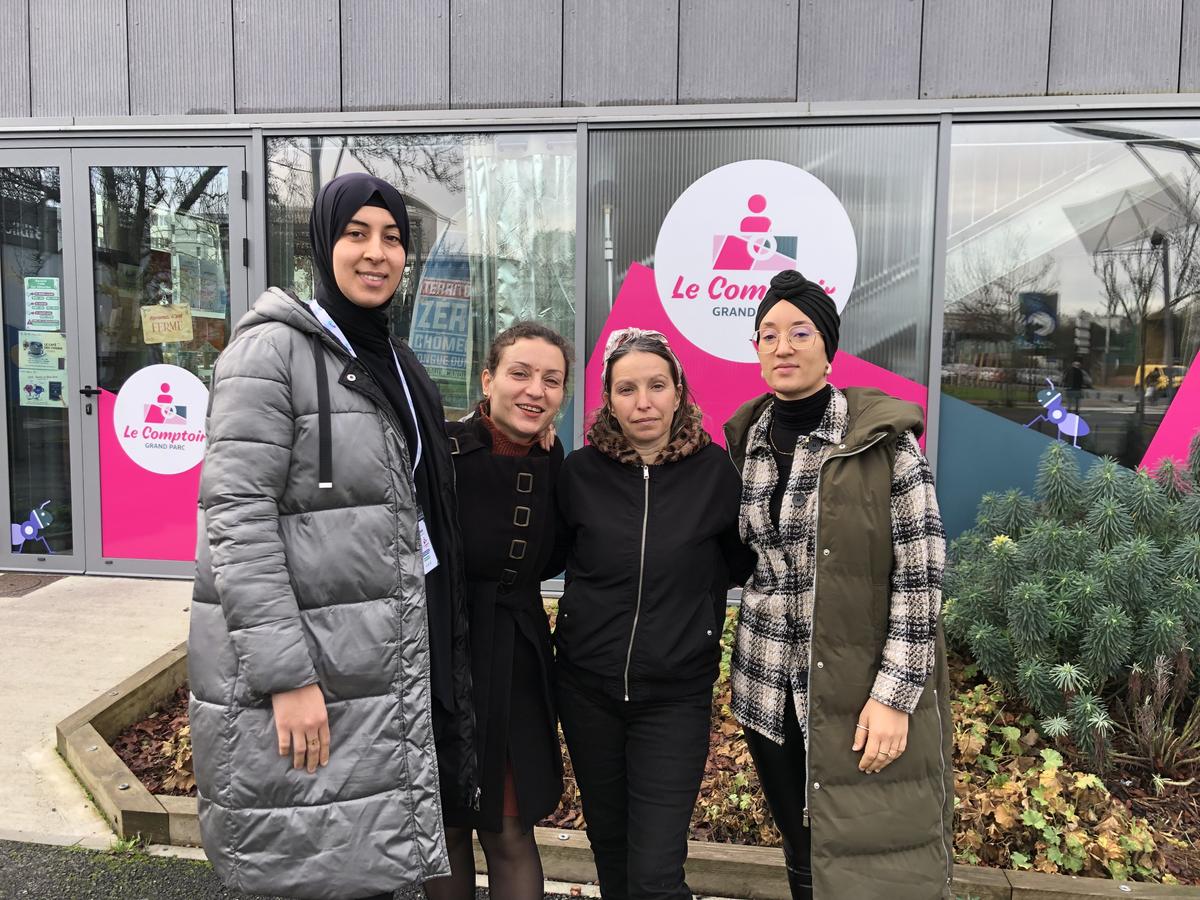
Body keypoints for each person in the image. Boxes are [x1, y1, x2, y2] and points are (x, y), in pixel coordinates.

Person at [188, 172, 477, 900]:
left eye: (392, 238)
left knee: (368, 862)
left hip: (381, 658)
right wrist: (286, 679)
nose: (376, 253)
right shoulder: (270, 356)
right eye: (356, 234)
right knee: (310, 865)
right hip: (313, 668)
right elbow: (236, 523)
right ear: (322, 243)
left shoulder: (402, 365)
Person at [723, 270, 952, 900]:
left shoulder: (884, 444)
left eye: (800, 331)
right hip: (767, 688)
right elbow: (738, 557)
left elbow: (922, 574)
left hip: (857, 692)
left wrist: (895, 697)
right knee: (803, 852)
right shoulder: (746, 442)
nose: (782, 346)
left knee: (867, 857)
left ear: (829, 346)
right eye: (767, 334)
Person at [553, 328, 754, 900]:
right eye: (626, 389)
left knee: (656, 872)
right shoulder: (580, 473)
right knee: (612, 854)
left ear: (679, 391)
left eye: (656, 386)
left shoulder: (715, 472)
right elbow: (552, 552)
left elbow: (738, 563)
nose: (643, 402)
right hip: (588, 690)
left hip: (674, 696)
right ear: (608, 400)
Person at [427, 322, 573, 900]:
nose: (535, 390)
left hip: (515, 660)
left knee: (511, 829)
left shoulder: (555, 458)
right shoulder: (440, 452)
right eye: (520, 373)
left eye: (551, 379)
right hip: (440, 655)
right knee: (448, 827)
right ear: (488, 380)